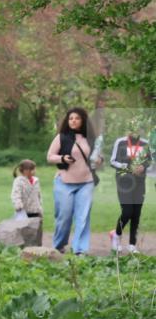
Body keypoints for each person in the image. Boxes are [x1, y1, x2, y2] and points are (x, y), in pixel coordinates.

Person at [46, 107, 97, 255]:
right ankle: (59, 245)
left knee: (83, 217)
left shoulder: (90, 138)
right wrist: (62, 158)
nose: (73, 121)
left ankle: (80, 250)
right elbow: (50, 156)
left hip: (86, 182)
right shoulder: (61, 137)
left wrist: (99, 160)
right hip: (64, 182)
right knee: (64, 216)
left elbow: (97, 157)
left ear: (83, 121)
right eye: (71, 118)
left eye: (77, 118)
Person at [109, 124, 151, 254]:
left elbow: (149, 160)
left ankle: (132, 244)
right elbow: (112, 161)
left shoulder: (145, 143)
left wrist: (143, 167)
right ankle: (116, 236)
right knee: (127, 211)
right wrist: (128, 166)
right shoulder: (120, 142)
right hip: (124, 182)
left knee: (136, 213)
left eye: (138, 127)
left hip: (139, 182)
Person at [11, 159, 43, 246]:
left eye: (34, 169)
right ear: (25, 171)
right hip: (24, 212)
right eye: (32, 169)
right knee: (26, 233)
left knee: (38, 232)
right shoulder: (18, 181)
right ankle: (26, 249)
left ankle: (38, 248)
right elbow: (15, 194)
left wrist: (40, 208)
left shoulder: (36, 181)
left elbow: (38, 195)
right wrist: (18, 205)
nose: (34, 171)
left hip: (36, 211)